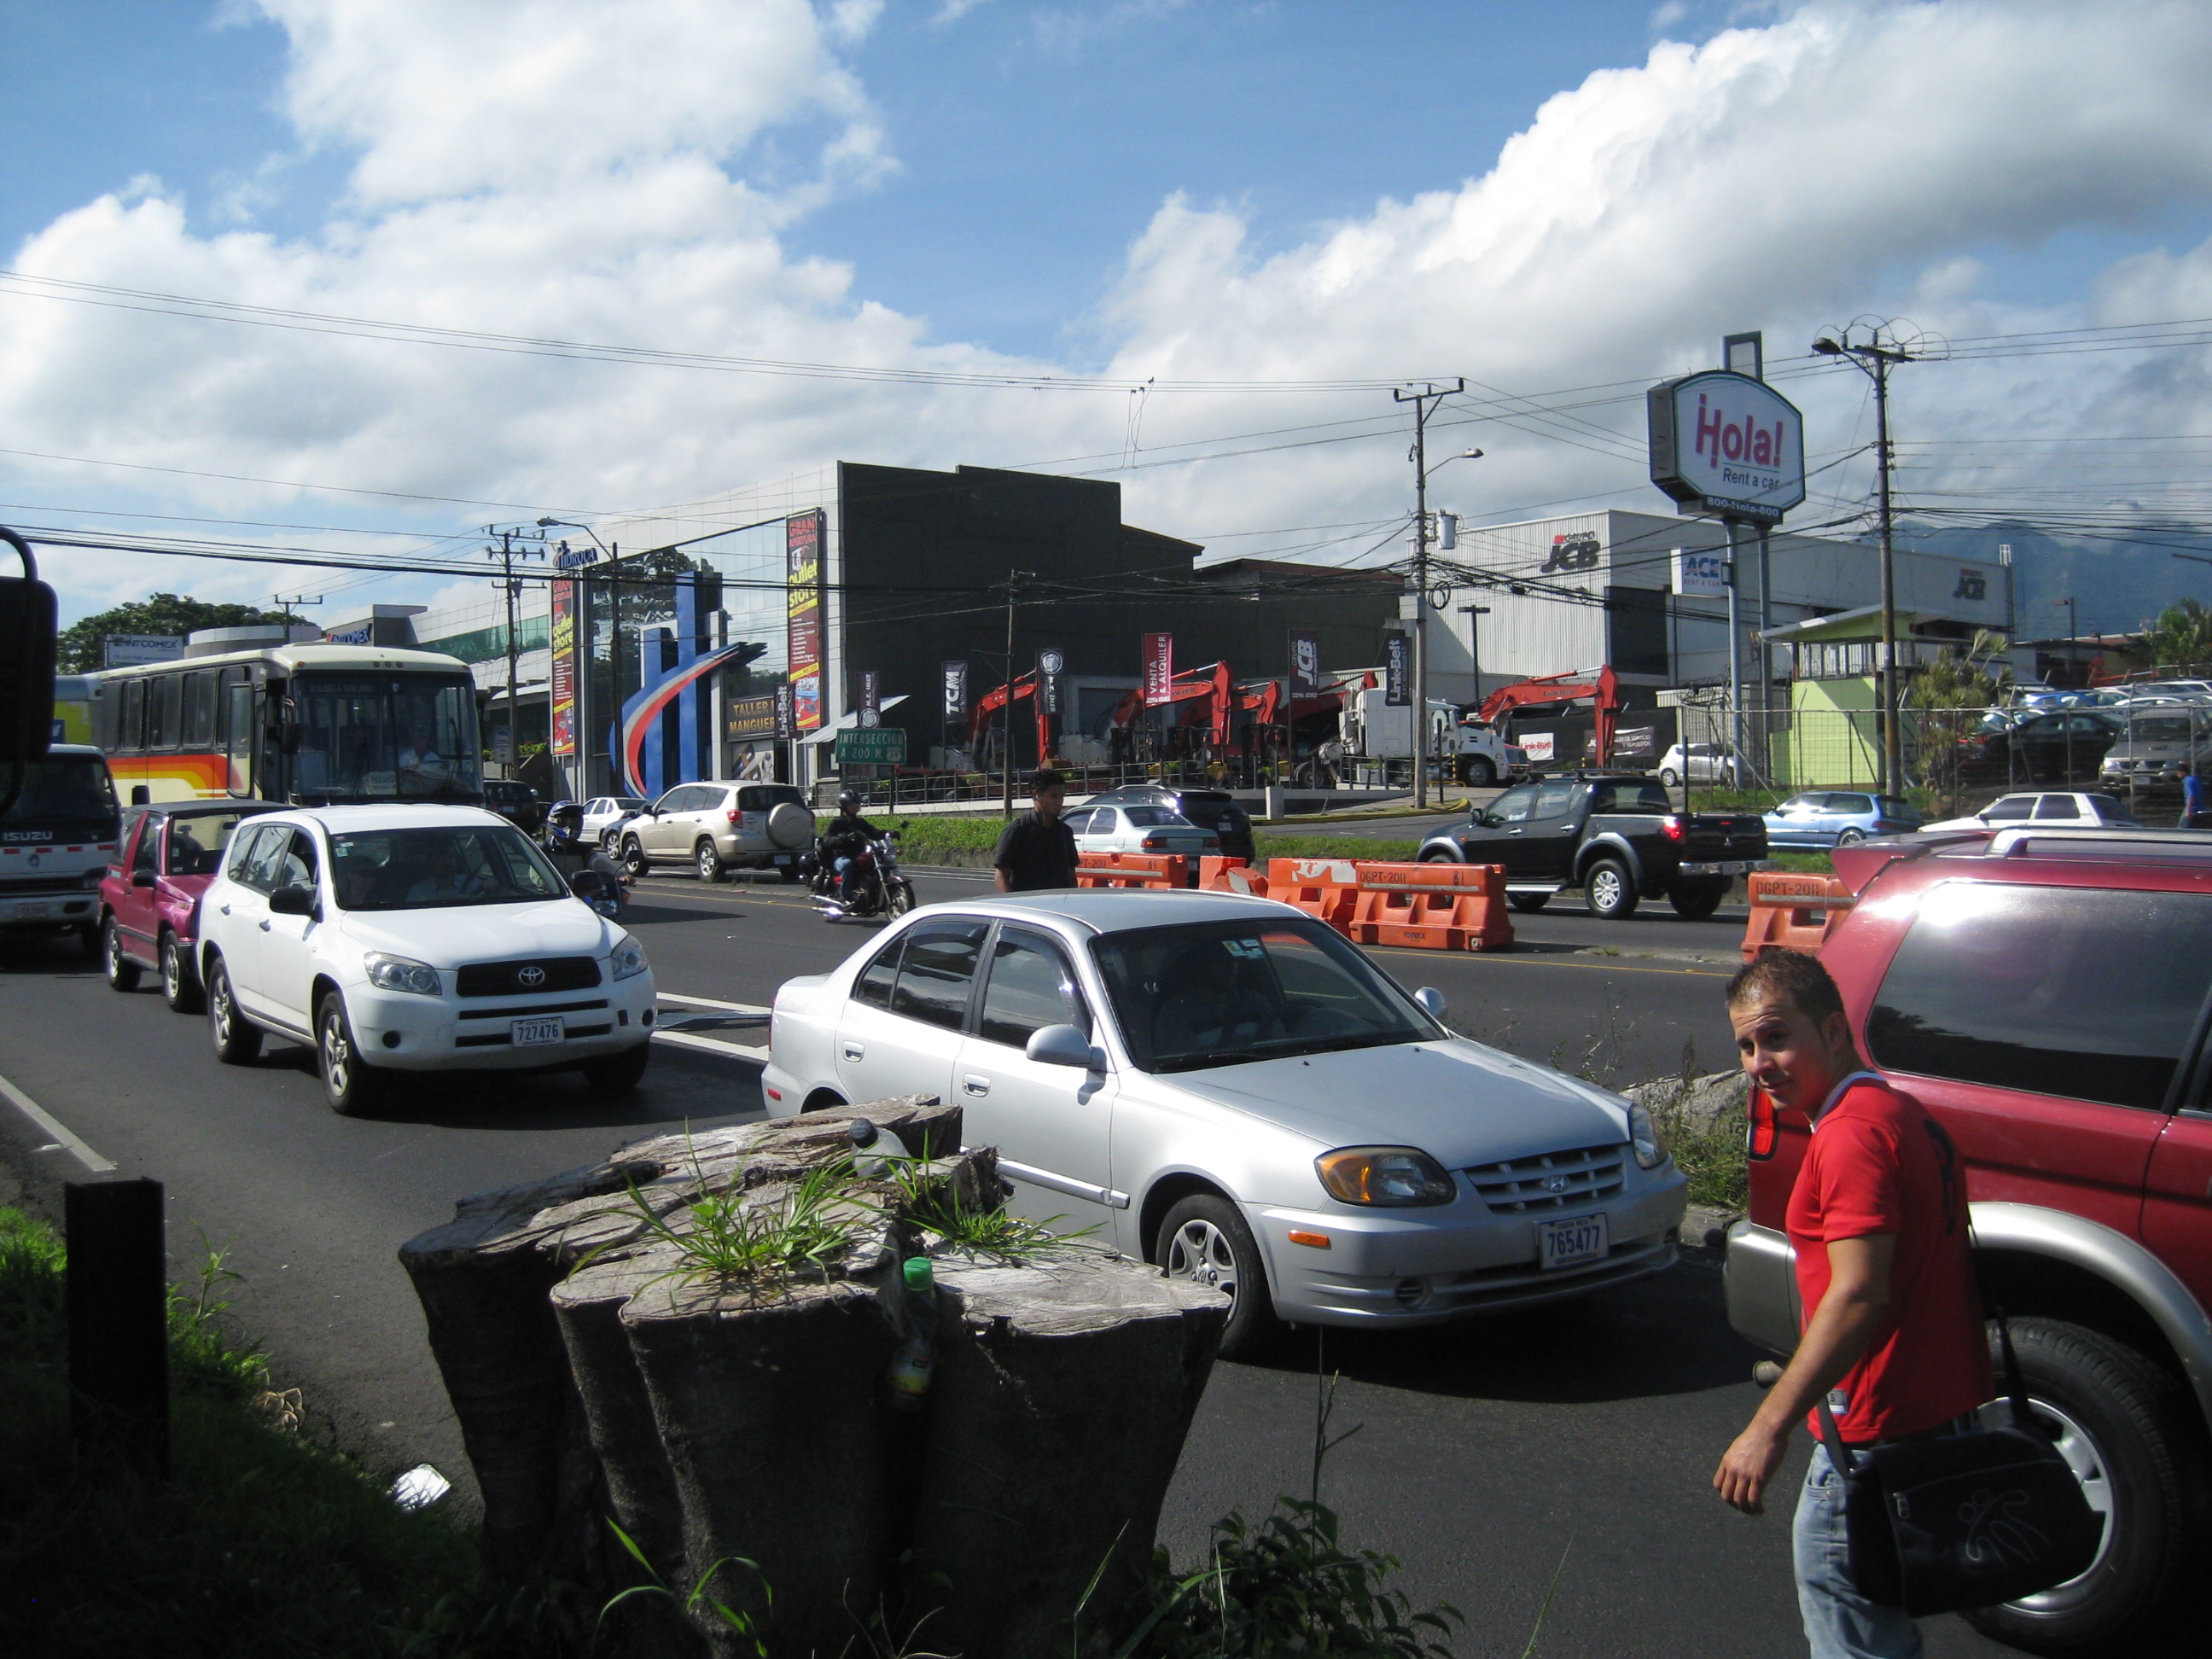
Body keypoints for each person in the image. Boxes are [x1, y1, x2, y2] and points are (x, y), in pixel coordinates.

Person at [1712, 952, 1991, 1659]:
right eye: (1745, 1045)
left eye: (1775, 1037)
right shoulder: (1904, 1113)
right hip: (1936, 1420)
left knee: (1856, 1639)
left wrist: (1767, 1428)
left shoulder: (1851, 1135)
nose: (1757, 1062)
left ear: (1834, 1030)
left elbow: (1860, 1291)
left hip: (1870, 1441)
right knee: (1885, 1634)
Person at [992, 768, 1079, 893]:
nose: (1059, 801)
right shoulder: (1017, 831)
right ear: (1036, 795)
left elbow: (1070, 875)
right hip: (1028, 906)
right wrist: (1015, 905)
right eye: (1053, 796)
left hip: (1058, 905)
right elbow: (1001, 876)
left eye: (1062, 796)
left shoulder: (1065, 832)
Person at [821, 789, 879, 903]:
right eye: (853, 804)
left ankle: (871, 893)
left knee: (877, 863)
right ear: (845, 806)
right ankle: (845, 895)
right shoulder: (837, 823)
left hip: (858, 856)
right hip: (840, 858)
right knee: (847, 864)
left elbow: (874, 833)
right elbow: (826, 840)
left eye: (857, 803)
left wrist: (889, 833)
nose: (856, 806)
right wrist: (839, 839)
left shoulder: (860, 822)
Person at [2179, 761, 2210, 829]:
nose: (2178, 775)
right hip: (2201, 808)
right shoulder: (2194, 779)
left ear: (2183, 772)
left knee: (2183, 826)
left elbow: (2191, 795)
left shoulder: (2188, 781)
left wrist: (2188, 810)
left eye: (2178, 773)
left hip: (2193, 809)